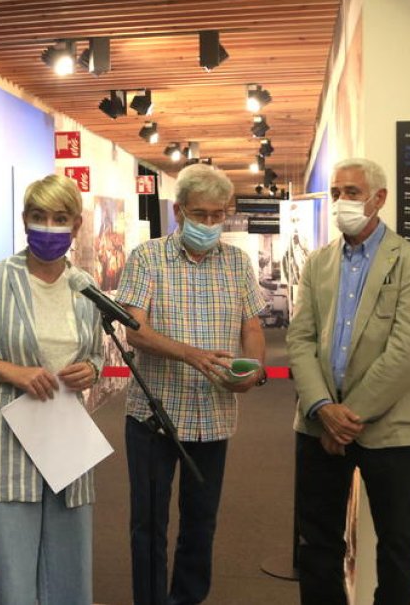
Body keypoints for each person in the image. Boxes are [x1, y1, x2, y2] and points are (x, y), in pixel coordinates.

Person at [0, 173, 104, 605]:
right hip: (7, 440)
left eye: (60, 217)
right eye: (38, 216)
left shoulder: (85, 287)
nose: (48, 226)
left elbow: (97, 355)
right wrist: (8, 370)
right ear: (24, 220)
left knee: (68, 565)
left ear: (76, 224)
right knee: (7, 571)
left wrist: (91, 369)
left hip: (66, 441)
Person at [117, 163, 267, 605]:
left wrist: (255, 368)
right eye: (200, 214)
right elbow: (134, 331)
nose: (209, 224)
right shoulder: (148, 257)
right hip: (154, 416)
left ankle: (187, 598)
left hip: (214, 416)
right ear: (179, 212)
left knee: (201, 521)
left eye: (218, 215)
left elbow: (253, 326)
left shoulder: (237, 262)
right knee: (149, 524)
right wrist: (192, 354)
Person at [287, 157, 410, 605]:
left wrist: (347, 417)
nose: (341, 202)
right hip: (317, 425)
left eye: (351, 192)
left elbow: (406, 353)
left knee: (396, 547)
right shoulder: (318, 263)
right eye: (335, 193)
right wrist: (322, 410)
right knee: (317, 545)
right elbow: (300, 339)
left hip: (391, 431)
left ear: (379, 198)